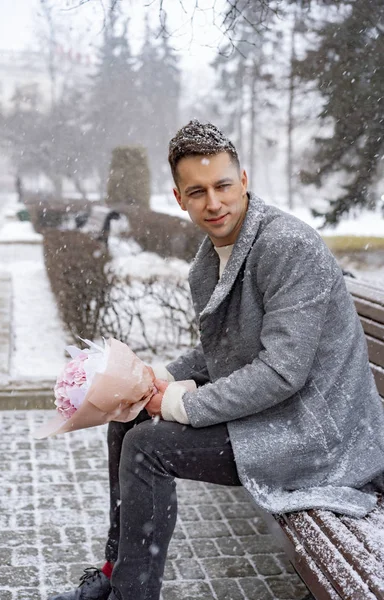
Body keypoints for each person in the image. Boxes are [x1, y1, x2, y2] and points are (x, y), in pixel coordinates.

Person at [50, 120, 384, 600]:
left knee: (149, 448)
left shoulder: (287, 246)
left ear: (244, 181)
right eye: (198, 191)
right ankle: (113, 572)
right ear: (179, 197)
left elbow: (281, 371)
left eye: (224, 185)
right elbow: (226, 349)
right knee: (126, 421)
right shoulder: (209, 262)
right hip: (276, 416)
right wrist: (156, 380)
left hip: (317, 435)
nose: (214, 203)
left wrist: (179, 405)